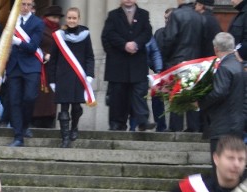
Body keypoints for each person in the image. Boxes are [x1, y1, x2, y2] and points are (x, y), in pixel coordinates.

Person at [101, 0, 152, 132]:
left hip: (137, 62)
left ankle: (142, 121)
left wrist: (136, 44)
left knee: (139, 93)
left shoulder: (143, 14)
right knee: (118, 95)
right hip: (118, 63)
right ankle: (117, 123)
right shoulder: (113, 15)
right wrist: (124, 45)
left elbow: (147, 33)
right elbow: (108, 35)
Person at [47, 7, 94, 149]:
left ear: (79, 19)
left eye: (74, 18)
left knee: (76, 107)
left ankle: (74, 127)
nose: (71, 21)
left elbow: (89, 57)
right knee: (64, 108)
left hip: (78, 77)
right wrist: (52, 80)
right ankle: (65, 138)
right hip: (63, 77)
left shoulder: (85, 35)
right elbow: (53, 59)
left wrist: (90, 74)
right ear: (66, 19)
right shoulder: (59, 36)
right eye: (69, 18)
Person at [198, 33, 245, 158]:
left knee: (220, 168)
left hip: (223, 126)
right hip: (237, 124)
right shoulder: (238, 66)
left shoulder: (224, 67)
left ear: (216, 49)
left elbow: (219, 92)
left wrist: (200, 103)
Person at [160, 0, 204, 133]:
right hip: (196, 61)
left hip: (179, 60)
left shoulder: (177, 15)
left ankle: (175, 126)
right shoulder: (199, 16)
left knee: (177, 94)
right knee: (192, 95)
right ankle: (193, 126)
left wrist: (166, 57)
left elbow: (170, 39)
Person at [5, 0, 42, 147]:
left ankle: (25, 125)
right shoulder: (11, 21)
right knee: (14, 101)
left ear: (32, 7)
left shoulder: (38, 23)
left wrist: (17, 42)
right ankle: (18, 136)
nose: (25, 7)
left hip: (31, 66)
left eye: (28, 5)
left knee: (29, 98)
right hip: (14, 66)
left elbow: (33, 46)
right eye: (23, 4)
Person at [30, 5, 60, 130]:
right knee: (40, 97)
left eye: (57, 18)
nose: (56, 20)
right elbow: (33, 44)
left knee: (51, 97)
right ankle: (36, 119)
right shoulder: (40, 28)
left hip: (54, 68)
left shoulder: (60, 31)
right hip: (41, 66)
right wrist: (43, 54)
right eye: (53, 17)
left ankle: (49, 119)